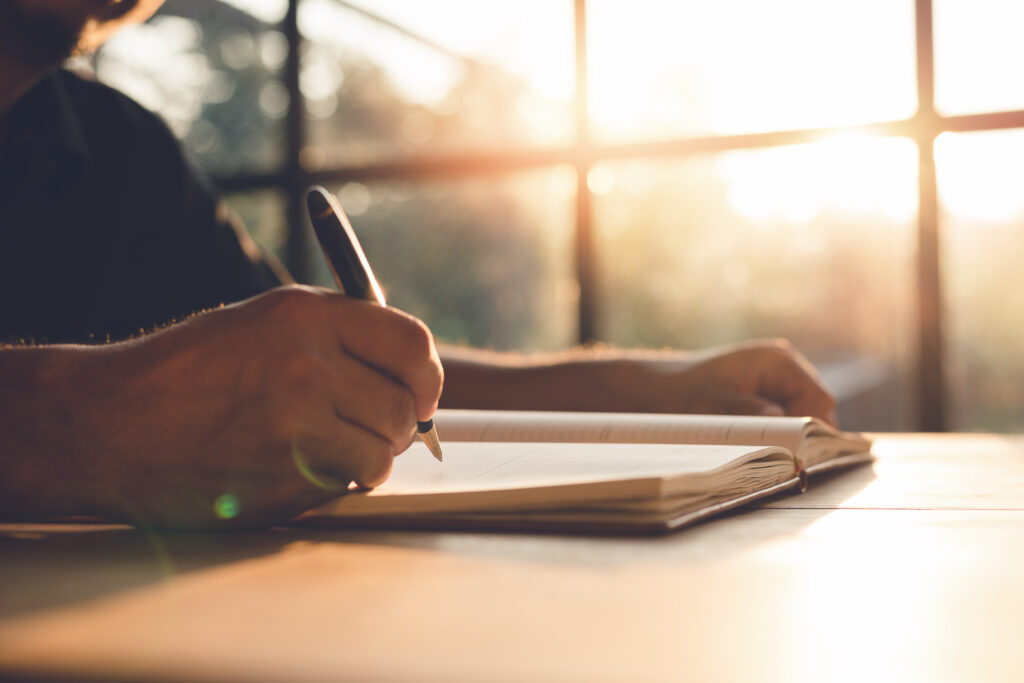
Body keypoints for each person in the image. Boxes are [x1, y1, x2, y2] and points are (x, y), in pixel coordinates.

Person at [0, 0, 835, 530]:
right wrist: (84, 420)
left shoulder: (122, 153)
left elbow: (337, 373)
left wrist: (644, 391)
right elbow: (148, 407)